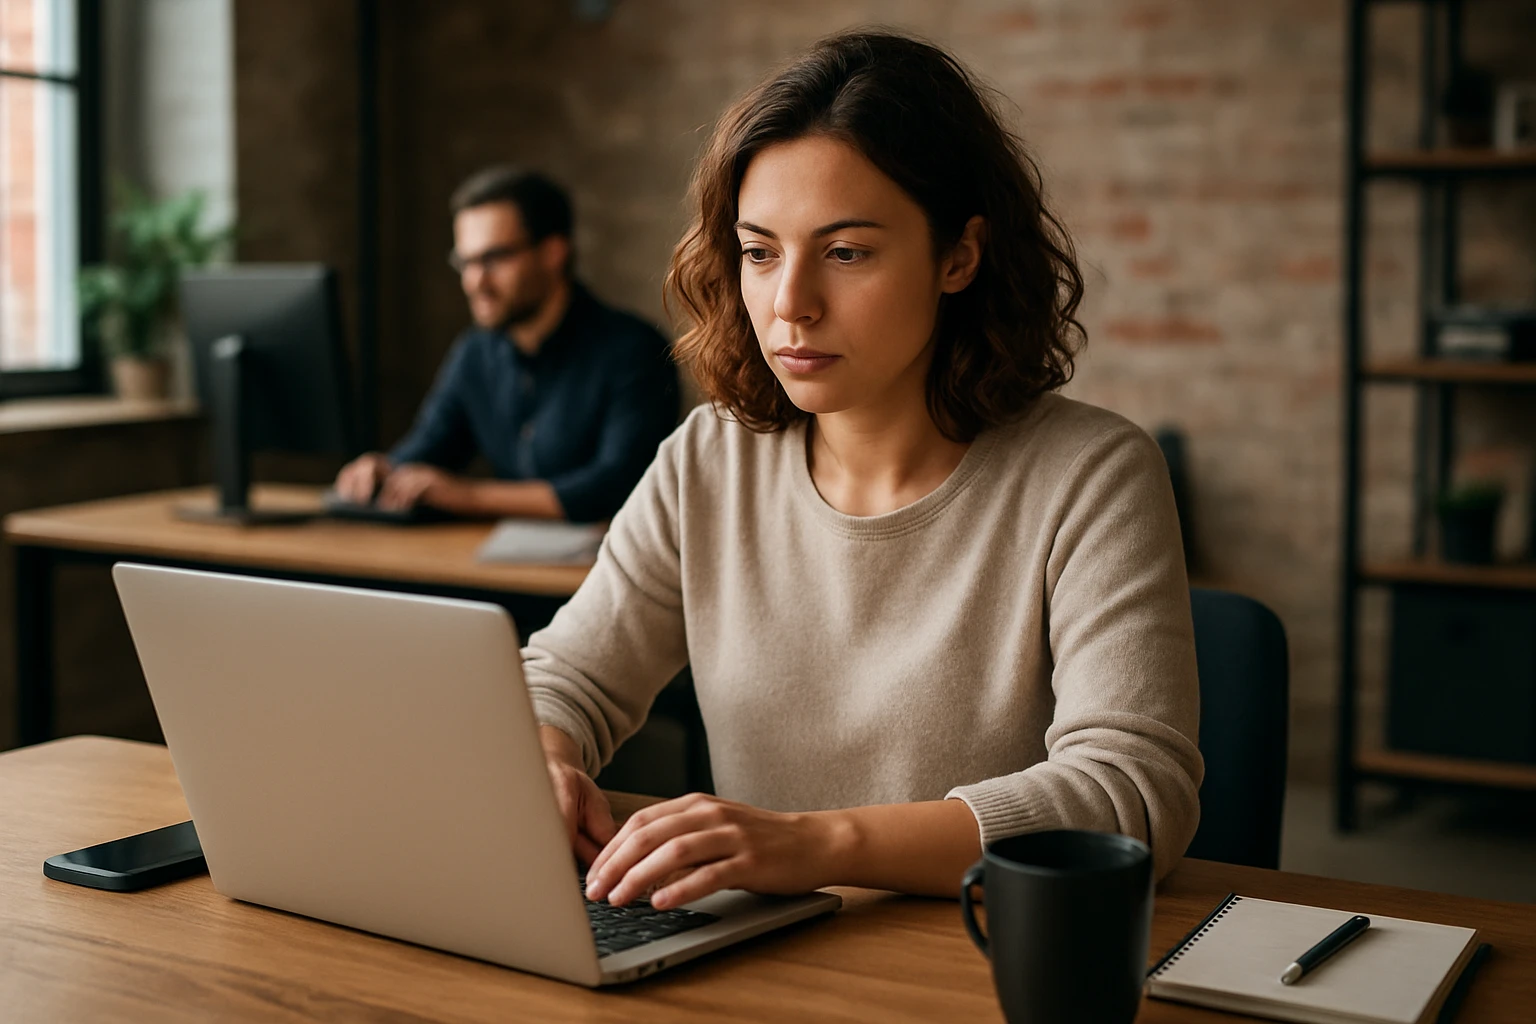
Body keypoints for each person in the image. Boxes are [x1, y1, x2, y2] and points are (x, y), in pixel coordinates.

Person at [524, 30, 1204, 911]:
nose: (789, 303)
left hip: (974, 962)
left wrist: (816, 843)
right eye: (760, 252)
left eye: (846, 253)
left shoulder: (1093, 475)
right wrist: (545, 754)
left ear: (959, 256)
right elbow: (567, 676)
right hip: (763, 960)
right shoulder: (708, 460)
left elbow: (1132, 798)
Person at [334, 167, 679, 521]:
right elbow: (430, 448)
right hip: (503, 564)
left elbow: (619, 485)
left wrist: (469, 496)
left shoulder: (634, 349)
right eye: (465, 262)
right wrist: (385, 470)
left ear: (553, 252)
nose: (474, 282)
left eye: (494, 259)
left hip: (606, 566)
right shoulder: (475, 352)